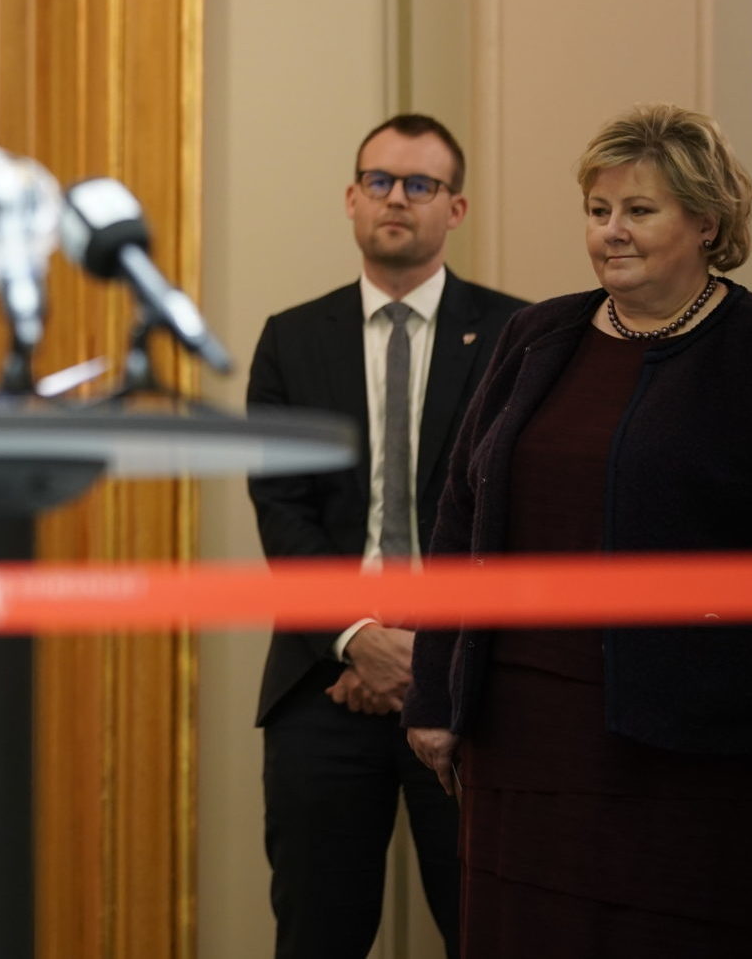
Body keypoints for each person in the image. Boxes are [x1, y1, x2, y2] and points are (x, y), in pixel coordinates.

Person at [404, 103, 752, 958]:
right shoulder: (539, 335)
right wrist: (435, 694)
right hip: (519, 730)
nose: (612, 232)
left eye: (639, 210)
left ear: (706, 222)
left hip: (675, 746)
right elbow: (460, 512)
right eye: (598, 211)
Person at [246, 114, 524, 958]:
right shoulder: (292, 339)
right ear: (351, 198)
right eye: (379, 181)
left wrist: (423, 654)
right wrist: (359, 639)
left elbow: (511, 518)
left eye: (420, 184)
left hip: (469, 690)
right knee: (315, 935)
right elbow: (281, 509)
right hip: (323, 681)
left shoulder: (516, 337)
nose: (396, 199)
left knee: (490, 931)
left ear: (457, 208)